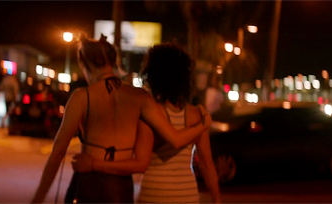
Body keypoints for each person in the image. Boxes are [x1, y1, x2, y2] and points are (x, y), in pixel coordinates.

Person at [30, 35, 211, 204]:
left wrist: (38, 197)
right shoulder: (139, 97)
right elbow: (176, 139)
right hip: (122, 186)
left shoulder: (82, 96)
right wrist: (203, 125)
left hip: (89, 182)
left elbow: (58, 152)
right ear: (114, 60)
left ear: (84, 64)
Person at [73, 43, 222, 204]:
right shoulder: (197, 115)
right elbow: (207, 164)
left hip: (154, 195)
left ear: (152, 74)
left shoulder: (148, 113)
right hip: (187, 196)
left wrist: (93, 164)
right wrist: (216, 199)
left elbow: (139, 162)